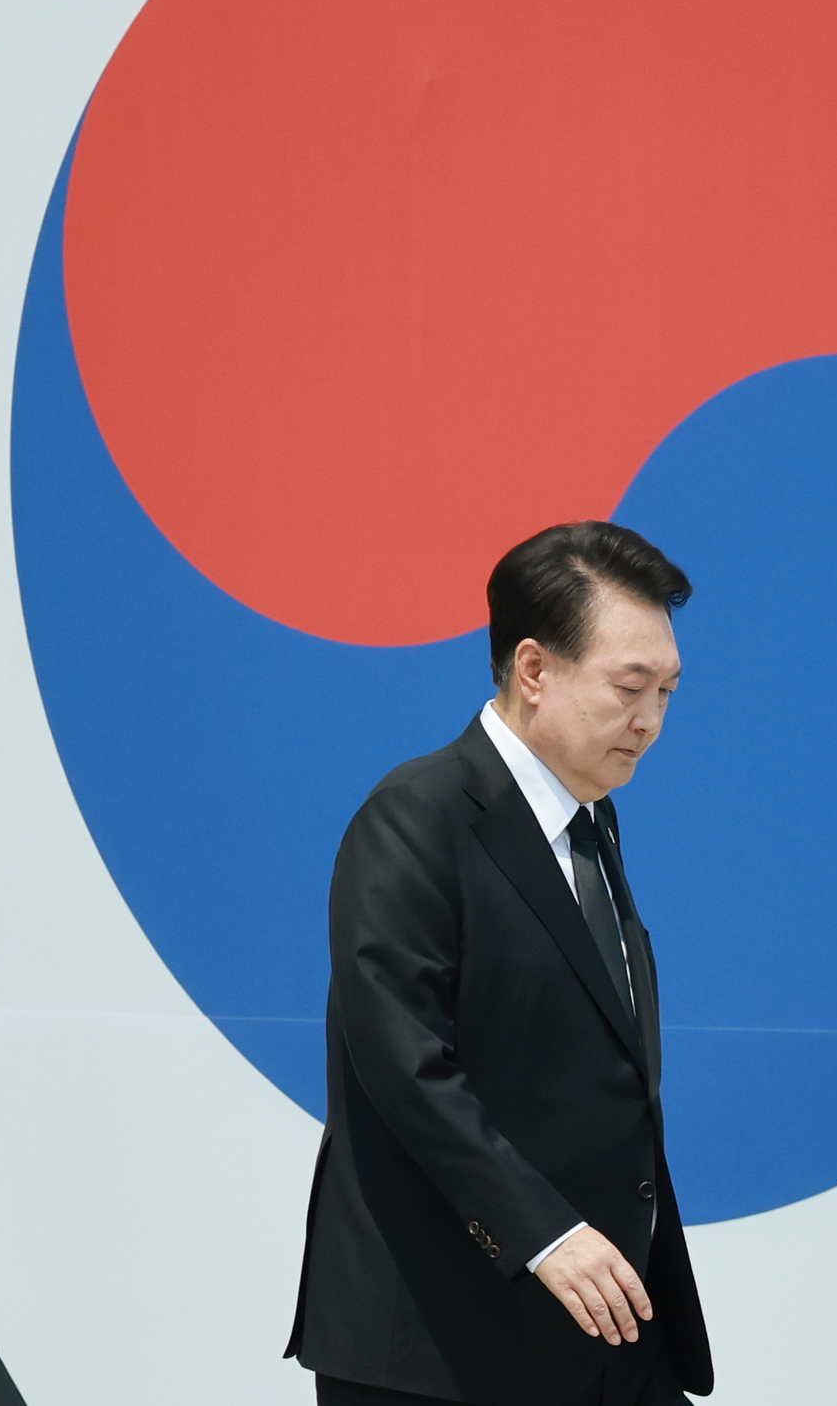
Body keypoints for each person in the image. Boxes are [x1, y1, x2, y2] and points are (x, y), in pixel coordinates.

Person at [285, 521, 714, 1406]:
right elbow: (404, 1063)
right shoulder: (418, 816)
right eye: (631, 687)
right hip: (445, 1345)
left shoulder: (591, 820)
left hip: (602, 1332)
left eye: (668, 691)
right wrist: (548, 1234)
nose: (652, 722)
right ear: (533, 670)